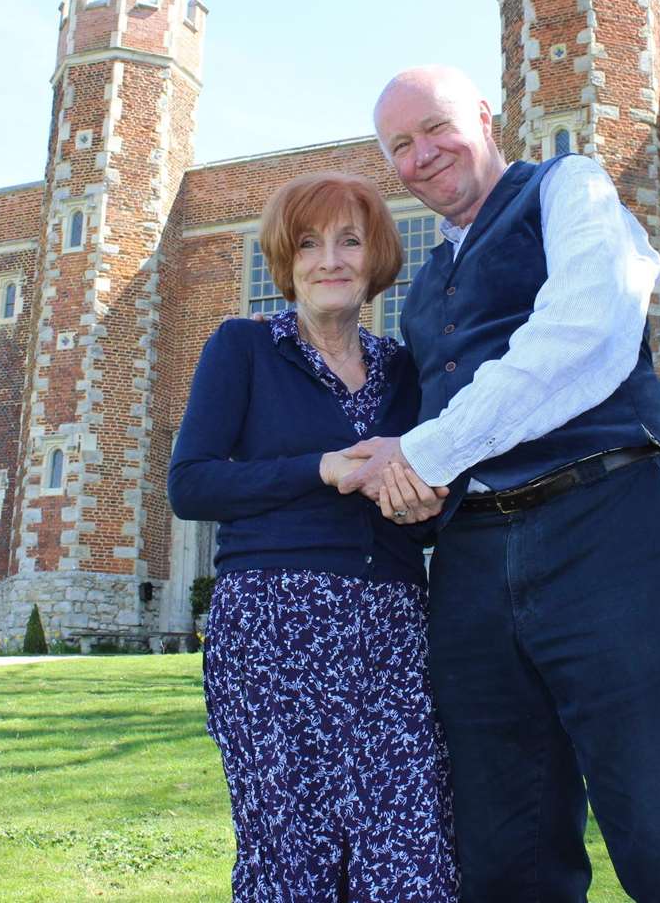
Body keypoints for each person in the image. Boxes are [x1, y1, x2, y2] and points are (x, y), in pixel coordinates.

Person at [338, 65, 660, 901]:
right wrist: (403, 472)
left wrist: (424, 453)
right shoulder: (421, 296)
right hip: (474, 563)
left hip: (608, 523)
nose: (422, 155)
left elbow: (588, 328)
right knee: (505, 847)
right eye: (400, 146)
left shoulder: (569, 187)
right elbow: (423, 443)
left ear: (486, 119)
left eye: (437, 128)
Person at [167, 170, 460, 902]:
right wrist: (320, 467)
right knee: (289, 862)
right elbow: (192, 484)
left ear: (376, 259)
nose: (330, 259)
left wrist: (421, 509)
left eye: (349, 241)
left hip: (392, 631)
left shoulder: (405, 371)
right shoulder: (243, 348)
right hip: (272, 629)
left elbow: (431, 506)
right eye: (309, 242)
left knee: (413, 856)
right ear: (286, 260)